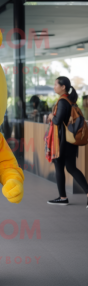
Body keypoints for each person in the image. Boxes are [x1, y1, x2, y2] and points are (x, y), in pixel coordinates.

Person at [47, 76, 88, 208]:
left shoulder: (63, 101)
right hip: (70, 140)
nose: (54, 87)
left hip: (62, 142)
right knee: (71, 167)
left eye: (55, 84)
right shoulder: (70, 101)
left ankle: (63, 197)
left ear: (63, 86)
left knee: (59, 166)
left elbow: (57, 121)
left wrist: (51, 116)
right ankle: (67, 196)